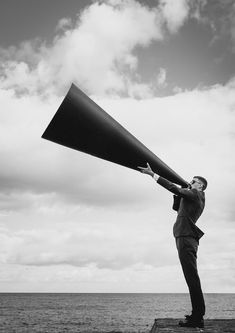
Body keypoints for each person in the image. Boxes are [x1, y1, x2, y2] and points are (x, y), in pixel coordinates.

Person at [138, 163, 207, 328]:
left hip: (186, 237)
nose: (191, 182)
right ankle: (196, 315)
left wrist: (152, 175)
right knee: (191, 278)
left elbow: (173, 188)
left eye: (194, 181)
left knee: (192, 278)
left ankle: (198, 317)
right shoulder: (191, 196)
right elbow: (176, 207)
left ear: (201, 186)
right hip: (183, 236)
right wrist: (179, 193)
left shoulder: (197, 194)